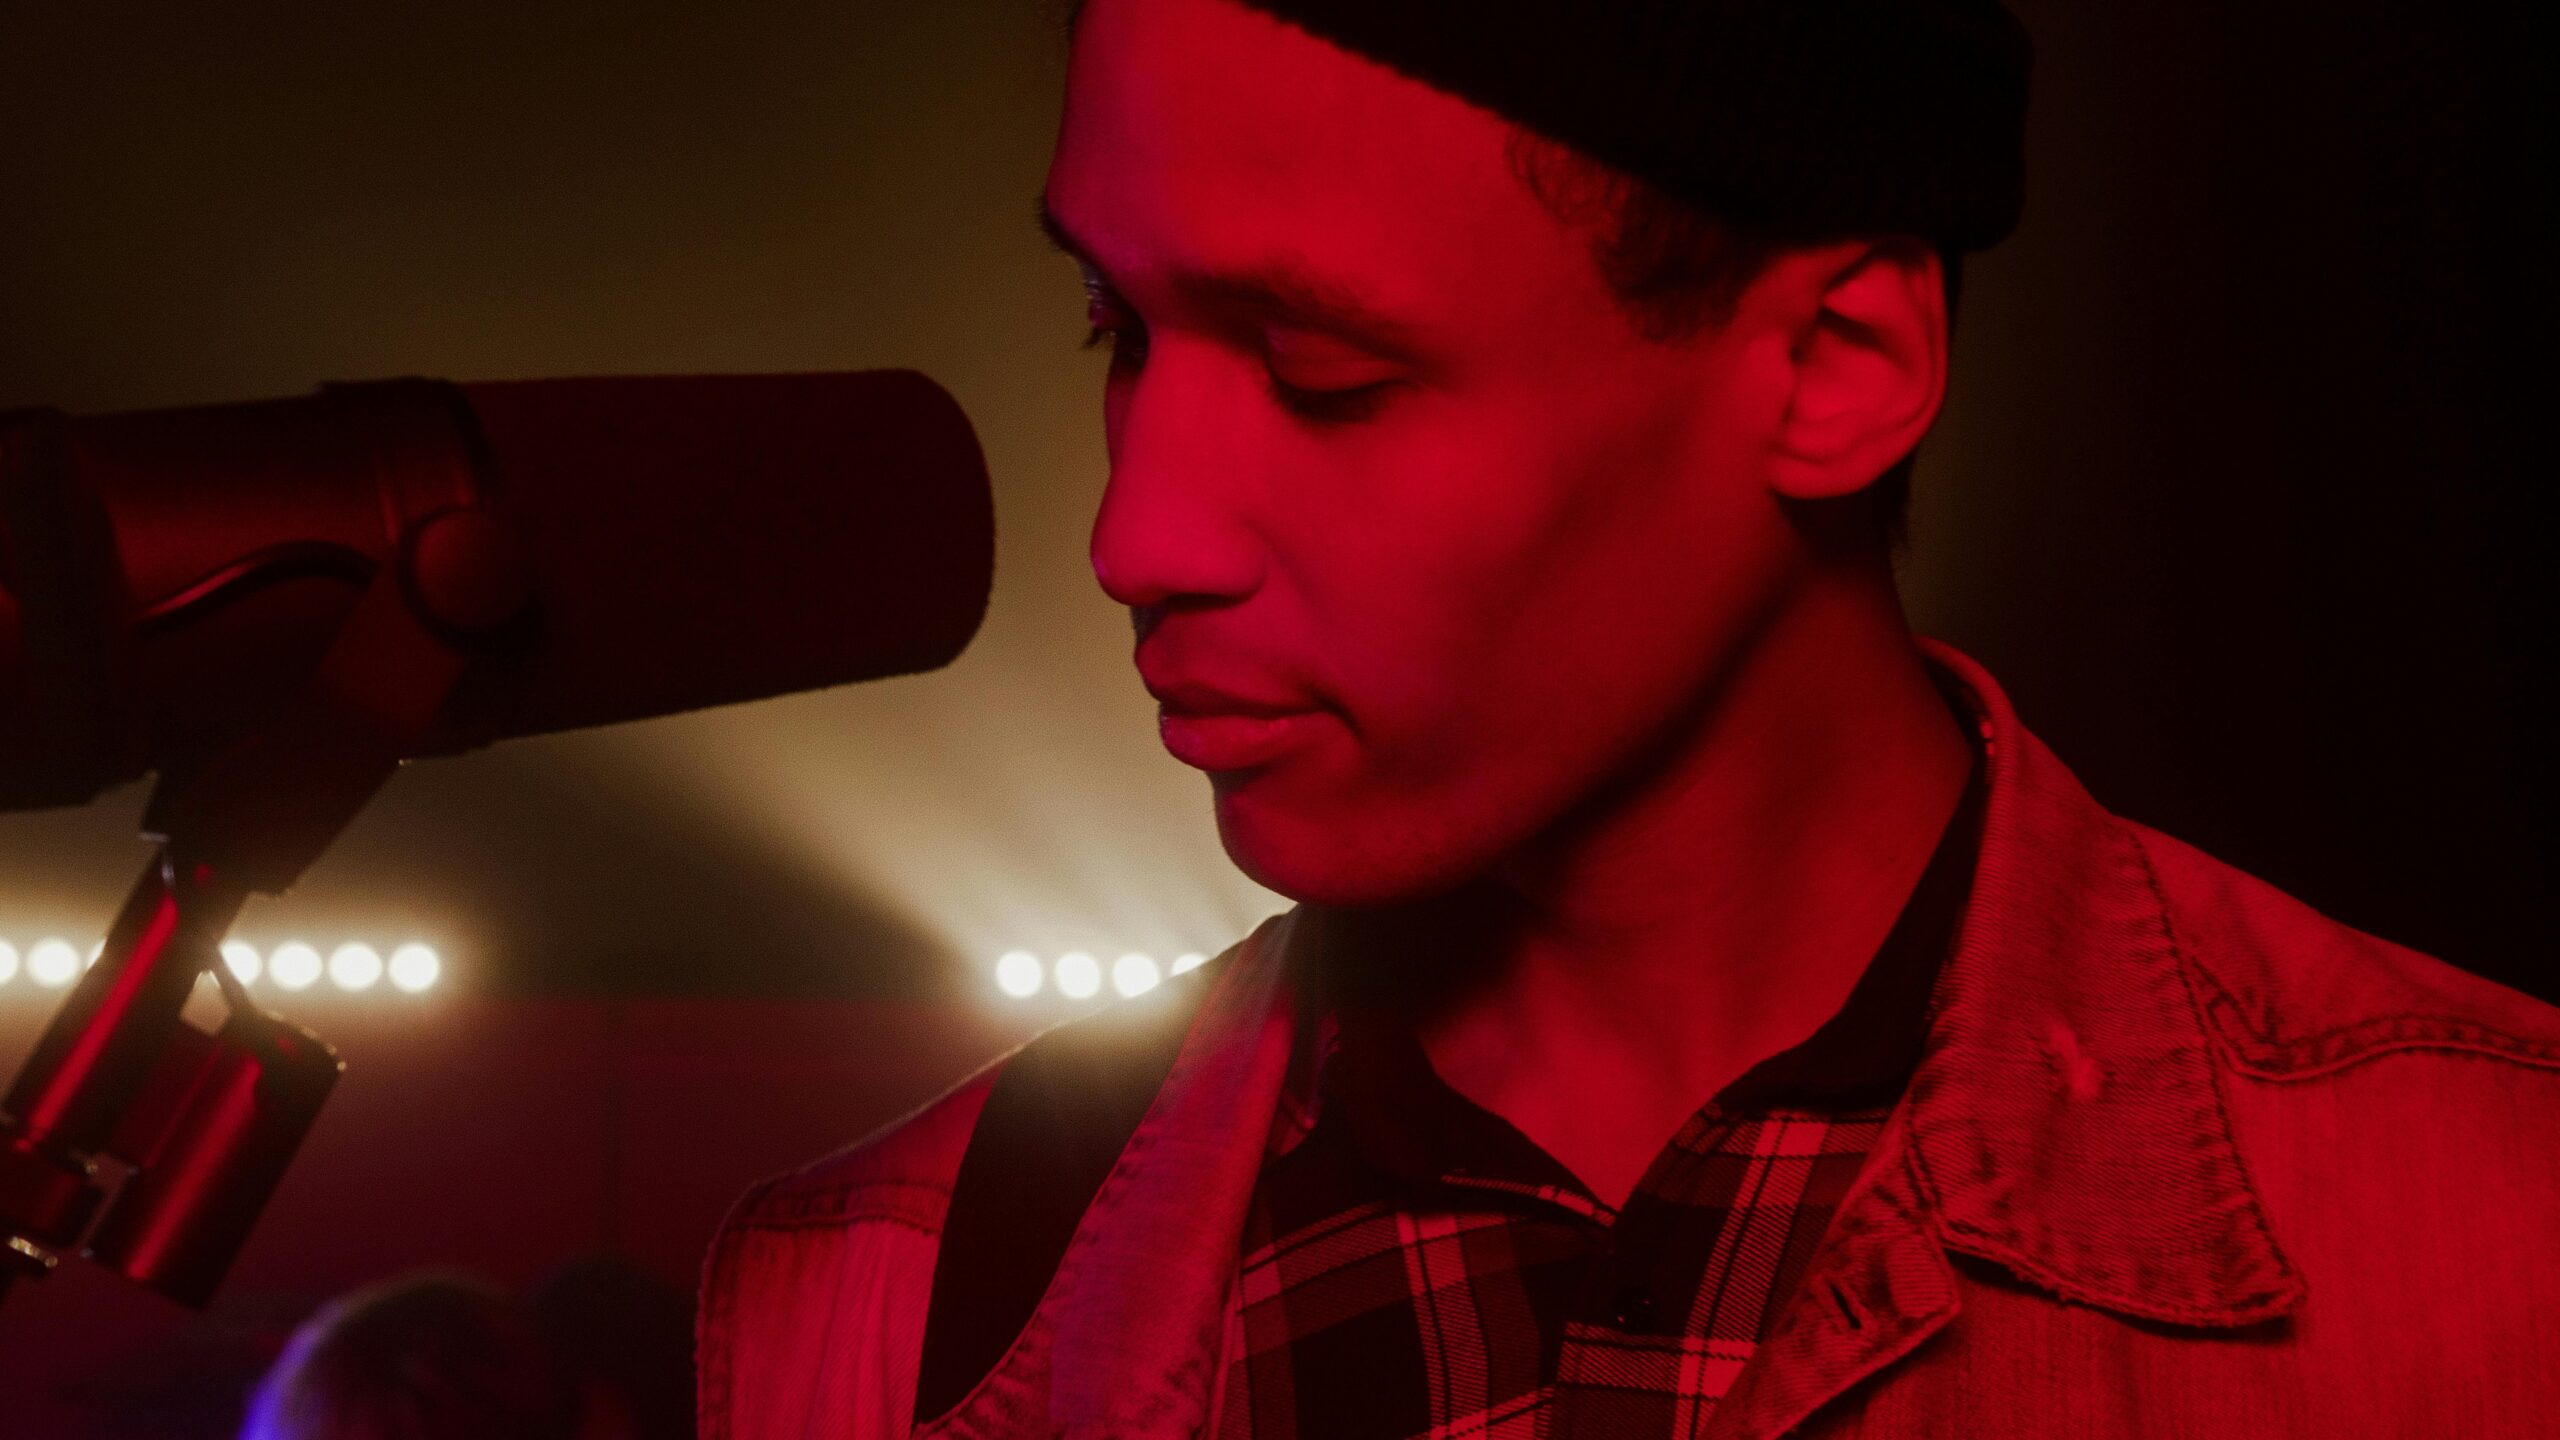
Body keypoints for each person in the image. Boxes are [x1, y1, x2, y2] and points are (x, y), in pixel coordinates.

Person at [698, 2, 2560, 1436]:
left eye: (1324, 372)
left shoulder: (2496, 1247)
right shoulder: (873, 1301)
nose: (1134, 537)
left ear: (1836, 367)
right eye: (1120, 326)